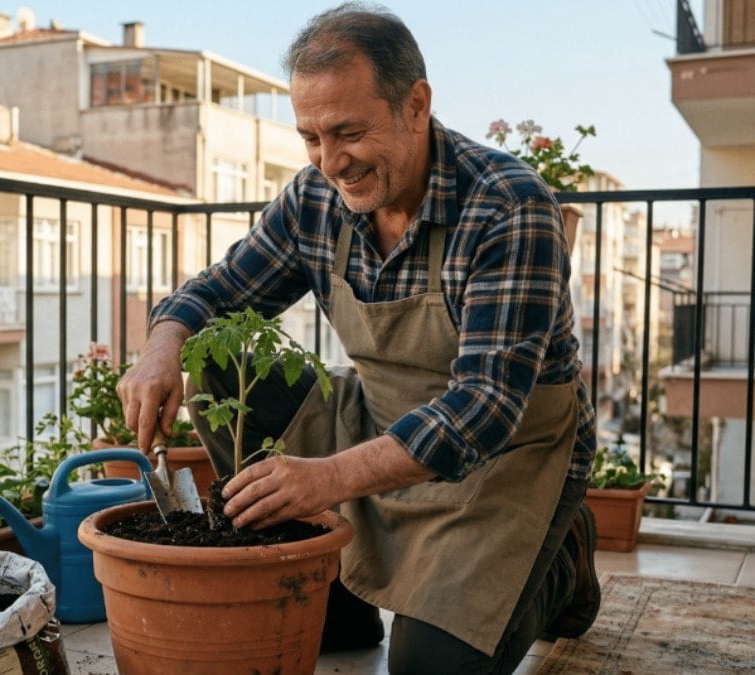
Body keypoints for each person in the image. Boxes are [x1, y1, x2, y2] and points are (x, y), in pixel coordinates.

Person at [116, 2, 600, 672]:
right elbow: (220, 292)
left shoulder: (507, 207)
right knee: (218, 365)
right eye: (312, 137)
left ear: (416, 104)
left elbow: (482, 411)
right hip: (378, 418)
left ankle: (561, 562)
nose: (331, 162)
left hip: (508, 461)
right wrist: (161, 348)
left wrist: (326, 479)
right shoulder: (314, 200)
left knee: (429, 668)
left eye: (348, 131)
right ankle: (336, 596)